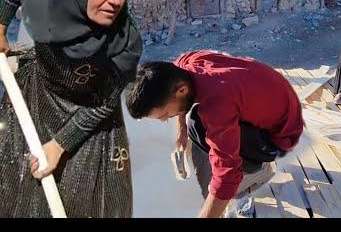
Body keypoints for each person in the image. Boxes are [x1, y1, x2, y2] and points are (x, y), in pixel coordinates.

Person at [0, 0, 143, 217]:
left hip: (90, 116)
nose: (115, 0)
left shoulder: (126, 41)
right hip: (38, 98)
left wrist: (58, 145)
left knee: (83, 199)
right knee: (18, 188)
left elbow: (105, 104)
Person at [125, 50, 304, 218]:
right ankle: (252, 163)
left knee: (199, 125)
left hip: (281, 134)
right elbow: (180, 101)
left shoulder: (217, 105)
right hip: (274, 100)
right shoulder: (183, 65)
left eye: (165, 114)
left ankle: (258, 170)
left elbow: (227, 173)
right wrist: (182, 134)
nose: (166, 120)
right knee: (193, 123)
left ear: (182, 90)